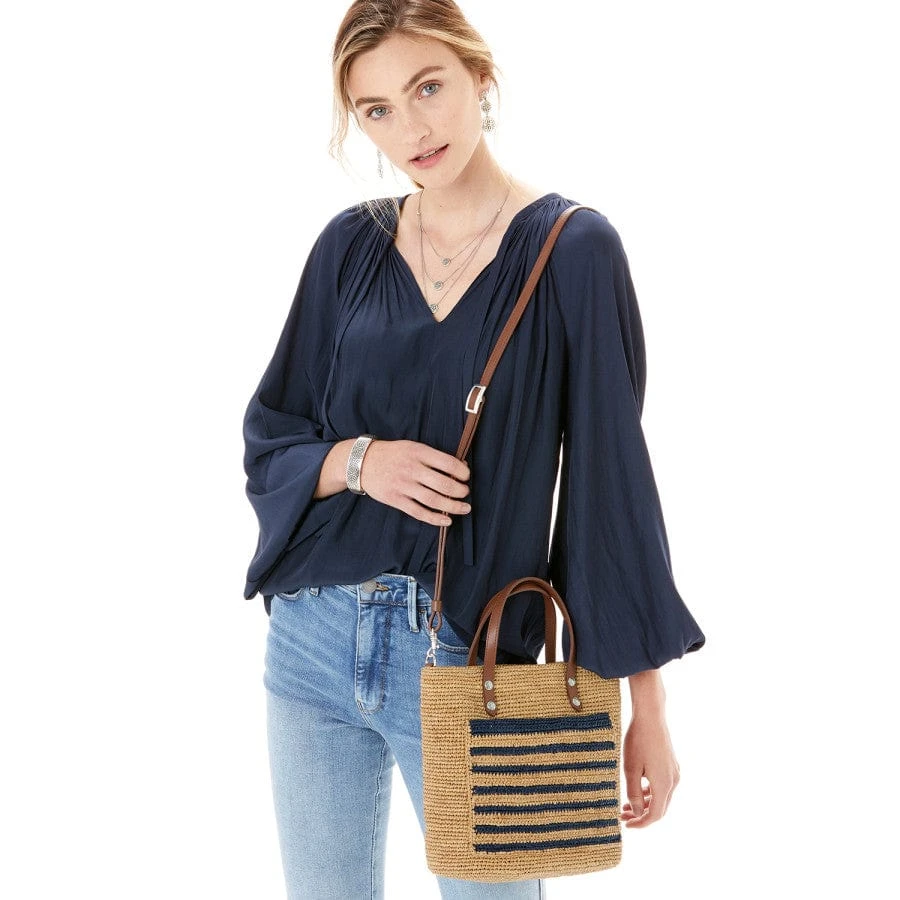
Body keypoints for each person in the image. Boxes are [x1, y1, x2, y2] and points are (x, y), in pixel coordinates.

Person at [242, 1, 706, 897]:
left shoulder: (573, 250)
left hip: (471, 657)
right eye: (377, 110)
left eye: (428, 88)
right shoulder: (349, 248)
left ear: (479, 78)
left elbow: (611, 487)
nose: (411, 130)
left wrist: (645, 702)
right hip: (312, 641)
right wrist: (359, 462)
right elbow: (274, 433)